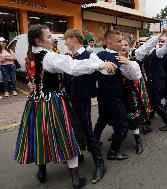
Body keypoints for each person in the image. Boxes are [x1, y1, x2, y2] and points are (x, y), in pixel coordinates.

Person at [14, 24, 116, 189]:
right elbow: (72, 67)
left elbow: (36, 75)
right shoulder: (51, 56)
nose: (53, 39)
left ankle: (98, 164)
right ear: (39, 40)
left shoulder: (32, 56)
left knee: (45, 134)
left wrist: (104, 67)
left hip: (47, 102)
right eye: (48, 37)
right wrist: (100, 65)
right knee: (66, 134)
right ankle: (75, 175)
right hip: (56, 102)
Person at [63, 29, 106, 184]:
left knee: (87, 130)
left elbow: (100, 67)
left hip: (82, 100)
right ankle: (78, 155)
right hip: (69, 99)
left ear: (74, 39)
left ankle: (100, 164)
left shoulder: (90, 55)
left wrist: (104, 65)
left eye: (66, 39)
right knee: (72, 129)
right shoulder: (68, 57)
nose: (64, 42)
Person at [93, 30, 142, 161]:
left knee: (101, 120)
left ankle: (93, 143)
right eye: (119, 41)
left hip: (102, 96)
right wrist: (128, 63)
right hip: (114, 97)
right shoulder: (116, 58)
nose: (121, 44)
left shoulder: (97, 55)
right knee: (122, 125)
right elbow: (135, 76)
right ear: (109, 42)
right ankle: (113, 151)